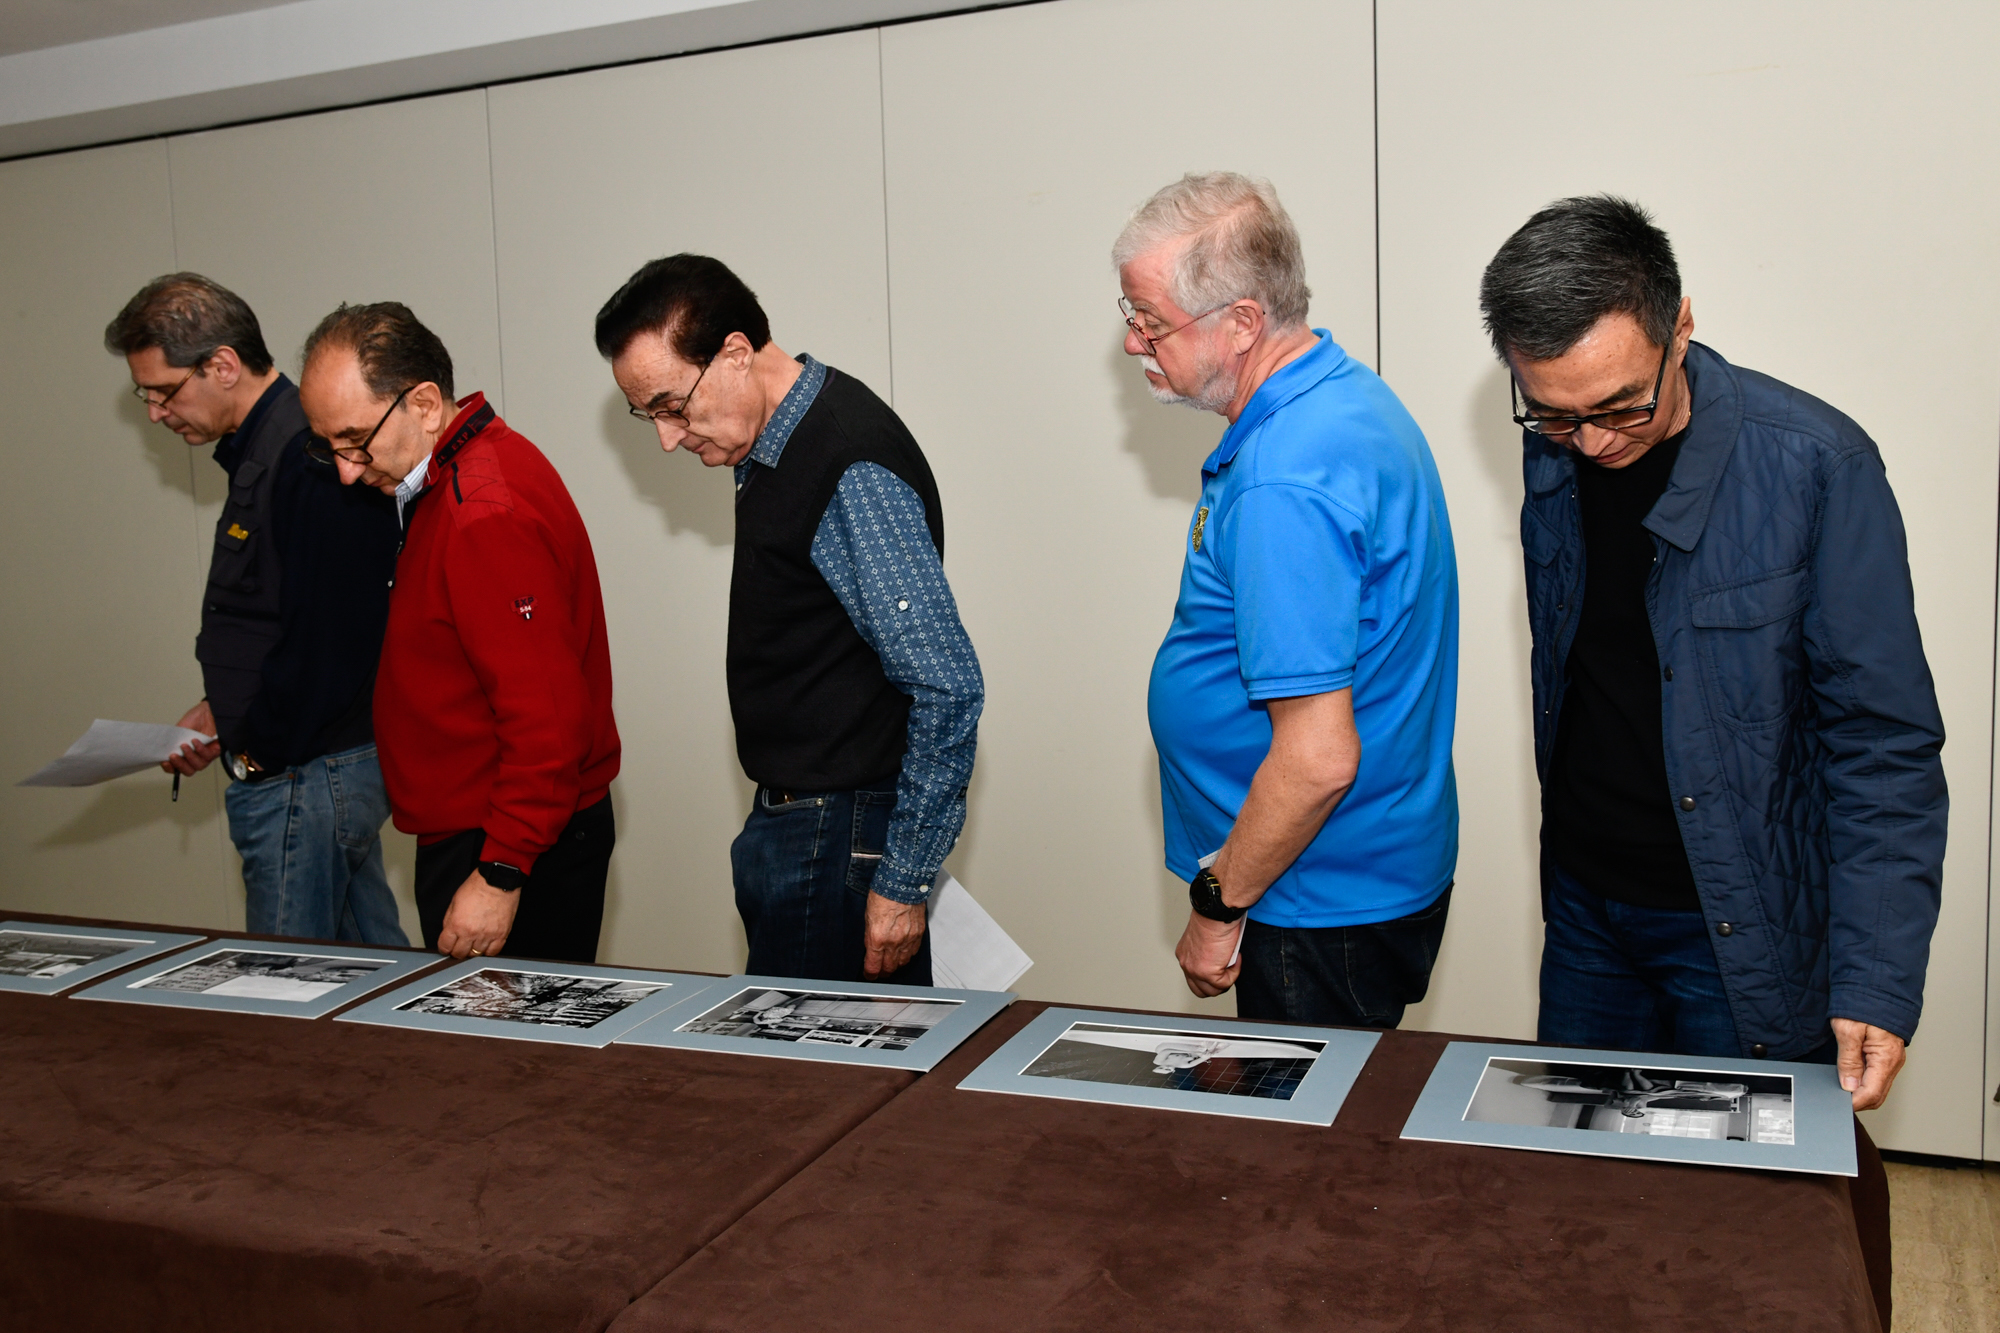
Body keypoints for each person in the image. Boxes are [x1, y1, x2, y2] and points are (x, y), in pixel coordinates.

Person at [1480, 195, 1945, 1112]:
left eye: (1621, 405)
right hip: (1585, 912)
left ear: (1680, 326)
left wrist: (1876, 978)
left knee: (1738, 1193)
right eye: (1557, 415)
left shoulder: (1816, 467)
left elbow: (1883, 744)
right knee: (1579, 1175)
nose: (1595, 442)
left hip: (1739, 930)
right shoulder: (1555, 451)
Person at [1118, 173, 1460, 1026]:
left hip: (1310, 894)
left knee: (1309, 1117)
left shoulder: (1286, 477)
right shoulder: (1343, 397)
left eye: (1150, 320)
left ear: (1241, 322)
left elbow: (1316, 760)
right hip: (1357, 871)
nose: (1132, 342)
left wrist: (1218, 904)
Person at [594, 255, 983, 985]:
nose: (668, 438)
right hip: (811, 827)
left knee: (809, 1059)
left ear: (736, 353)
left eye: (673, 406)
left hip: (837, 835)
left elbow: (946, 684)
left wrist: (902, 879)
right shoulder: (775, 442)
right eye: (649, 416)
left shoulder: (846, 464)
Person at [297, 302, 621, 963]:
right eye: (328, 445)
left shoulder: (483, 511)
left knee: (503, 1033)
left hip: (506, 842)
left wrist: (500, 873)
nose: (347, 469)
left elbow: (547, 720)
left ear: (423, 404)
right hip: (493, 827)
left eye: (356, 440)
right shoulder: (456, 472)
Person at [104, 274, 405, 945]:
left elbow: (334, 635)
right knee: (371, 976)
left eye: (163, 391)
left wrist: (257, 749)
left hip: (305, 770)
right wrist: (223, 708)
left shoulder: (306, 453)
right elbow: (275, 613)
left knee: (281, 989)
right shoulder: (269, 447)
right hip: (316, 765)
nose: (155, 413)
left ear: (222, 365)